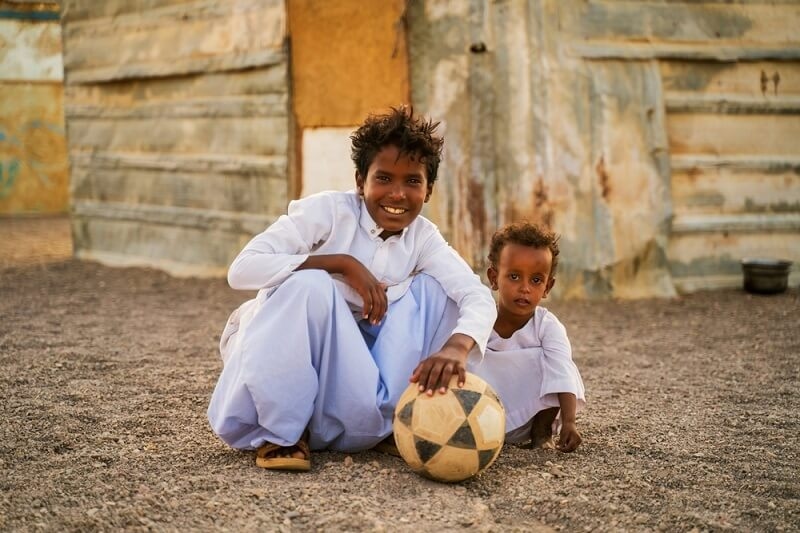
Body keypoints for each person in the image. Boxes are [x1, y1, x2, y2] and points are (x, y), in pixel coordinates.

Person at [207, 105, 497, 471]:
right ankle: (284, 432)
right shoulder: (327, 212)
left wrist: (457, 348)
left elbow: (477, 296)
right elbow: (242, 270)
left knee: (437, 292)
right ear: (360, 181)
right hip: (290, 352)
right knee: (308, 284)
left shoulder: (424, 238)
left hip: (360, 371)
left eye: (412, 181)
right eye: (384, 178)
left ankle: (398, 420)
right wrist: (341, 264)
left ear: (428, 191)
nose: (397, 194)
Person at [467, 222, 586, 452]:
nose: (525, 288)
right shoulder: (479, 316)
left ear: (548, 286)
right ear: (493, 277)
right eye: (513, 276)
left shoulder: (546, 326)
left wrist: (569, 423)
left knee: (553, 361)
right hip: (479, 414)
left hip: (528, 419)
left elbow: (562, 371)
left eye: (536, 280)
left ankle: (542, 435)